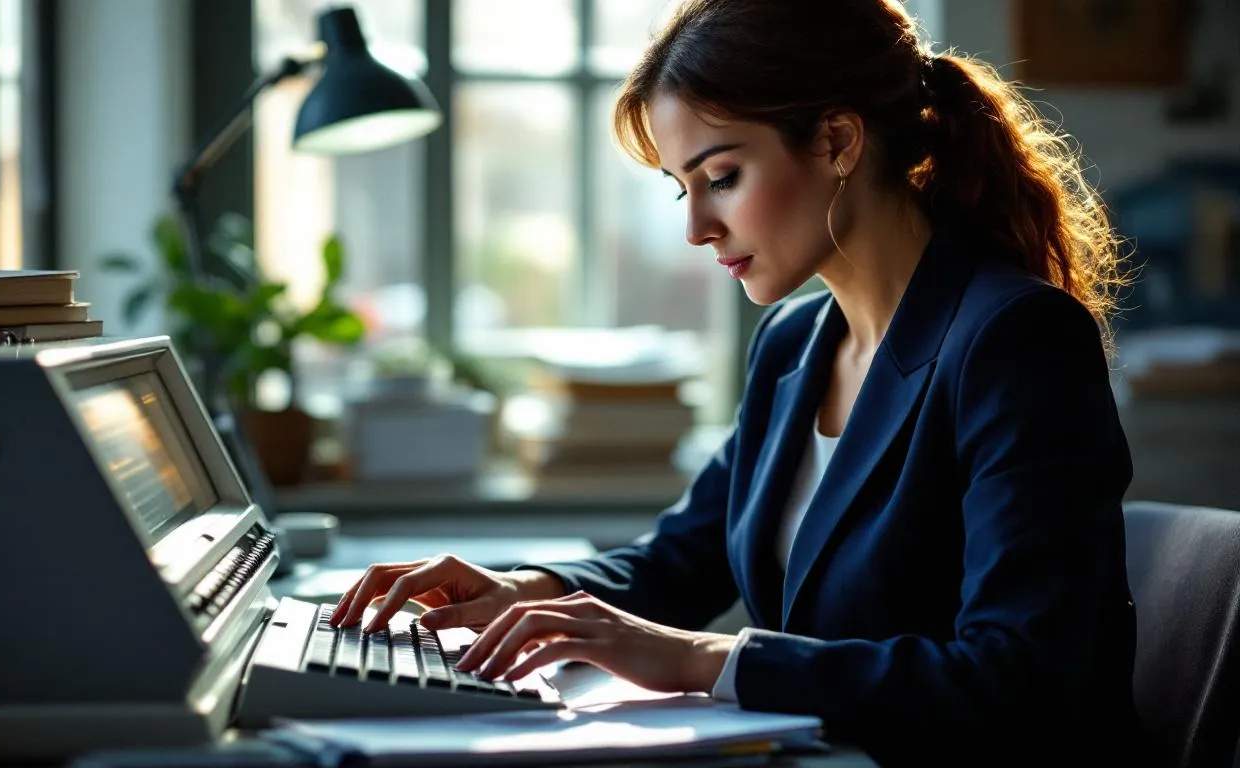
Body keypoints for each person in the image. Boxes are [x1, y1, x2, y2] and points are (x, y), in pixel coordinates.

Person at [330, 0, 1144, 764]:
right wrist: (521, 589)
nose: (695, 229)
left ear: (837, 142)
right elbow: (678, 563)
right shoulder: (793, 344)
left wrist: (697, 658)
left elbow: (1020, 677)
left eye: (720, 178)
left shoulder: (1014, 339)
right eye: (682, 189)